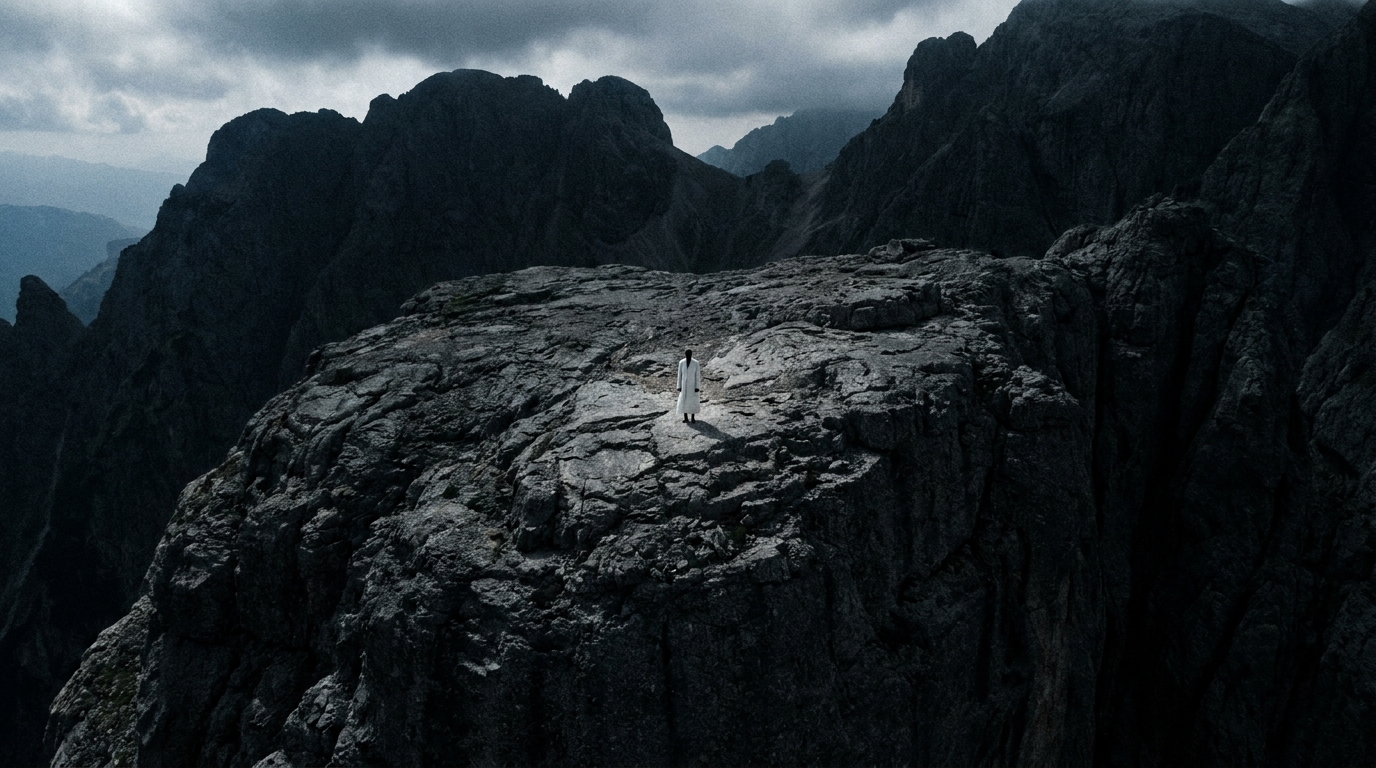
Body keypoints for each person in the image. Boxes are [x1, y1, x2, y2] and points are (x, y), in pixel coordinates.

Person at [677, 349, 701, 423]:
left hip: (692, 385)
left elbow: (697, 375)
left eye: (689, 354)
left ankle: (693, 418)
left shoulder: (696, 363)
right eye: (687, 354)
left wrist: (697, 386)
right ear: (685, 354)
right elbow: (679, 375)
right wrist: (679, 386)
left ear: (691, 354)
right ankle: (686, 418)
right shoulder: (681, 362)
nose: (688, 355)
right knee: (684, 400)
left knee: (692, 401)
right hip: (684, 386)